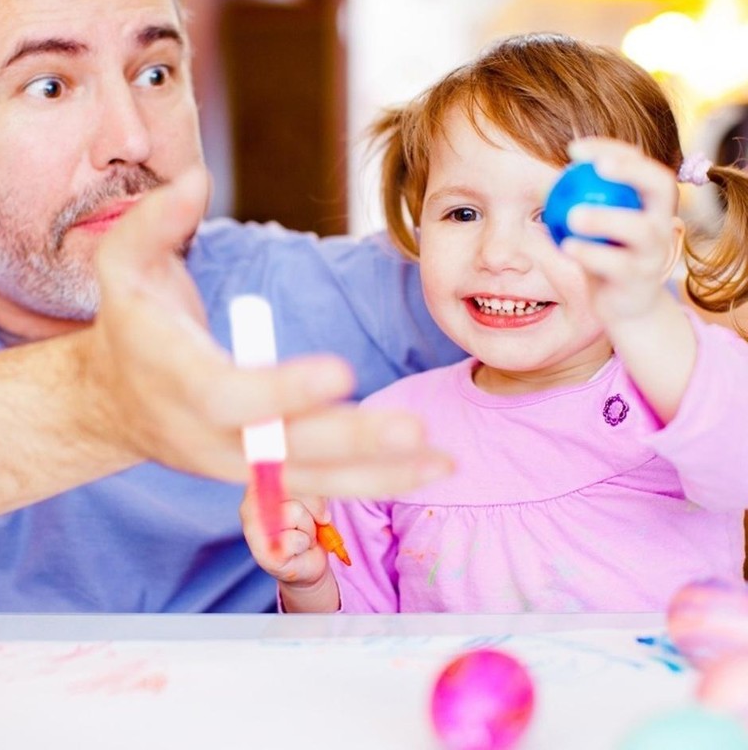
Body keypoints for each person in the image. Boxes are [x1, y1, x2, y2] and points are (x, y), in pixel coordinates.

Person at [0, 0, 465, 612]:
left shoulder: (316, 299)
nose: (131, 139)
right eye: (50, 85)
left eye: (156, 72)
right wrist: (110, 401)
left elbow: (601, 315)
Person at [242, 33, 748, 614]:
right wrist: (307, 582)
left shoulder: (682, 390)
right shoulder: (388, 433)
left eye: (552, 216)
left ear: (656, 249)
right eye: (463, 213)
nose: (498, 253)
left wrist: (640, 308)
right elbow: (352, 645)